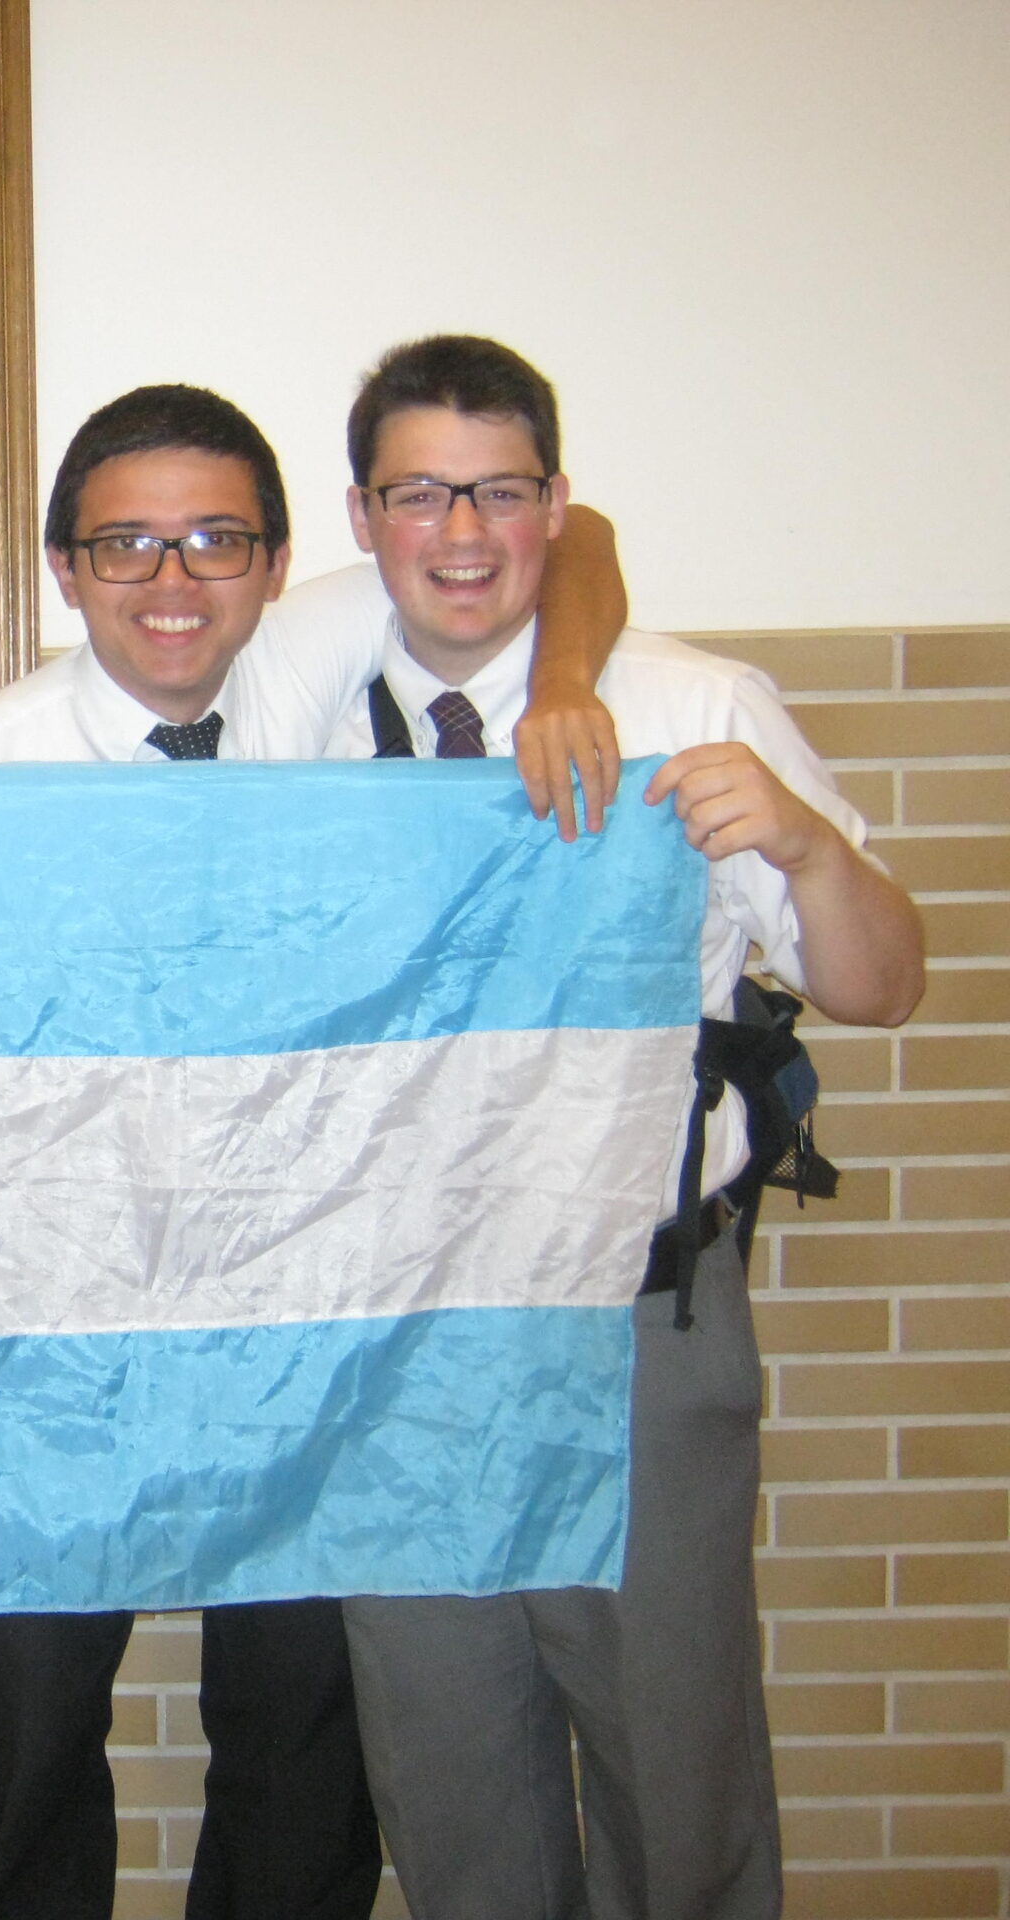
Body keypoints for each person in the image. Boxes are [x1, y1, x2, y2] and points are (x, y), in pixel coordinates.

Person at [0, 383, 630, 1920]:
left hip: (300, 1319)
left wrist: (566, 678)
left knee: (301, 1732)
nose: (175, 584)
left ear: (286, 561)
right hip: (58, 1329)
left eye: (216, 541)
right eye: (127, 546)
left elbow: (576, 537)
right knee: (40, 1730)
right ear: (63, 569)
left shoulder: (303, 677)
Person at [327, 335, 923, 1920]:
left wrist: (801, 847)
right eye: (421, 493)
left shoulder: (694, 702)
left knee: (675, 1764)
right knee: (450, 1790)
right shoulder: (300, 710)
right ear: (363, 516)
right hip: (405, 1345)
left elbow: (885, 986)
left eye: (503, 491)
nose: (464, 533)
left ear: (558, 502)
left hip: (638, 1324)